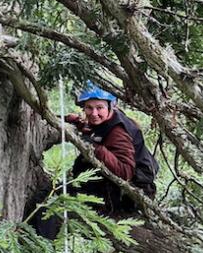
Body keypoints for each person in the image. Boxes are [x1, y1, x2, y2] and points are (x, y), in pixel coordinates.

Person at [29, 82, 158, 239]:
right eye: (89, 108)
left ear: (110, 107)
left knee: (50, 199)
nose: (94, 113)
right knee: (47, 194)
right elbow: (94, 129)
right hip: (109, 187)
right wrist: (72, 121)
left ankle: (40, 246)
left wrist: (95, 148)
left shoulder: (119, 133)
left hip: (121, 196)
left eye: (99, 108)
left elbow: (125, 172)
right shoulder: (107, 121)